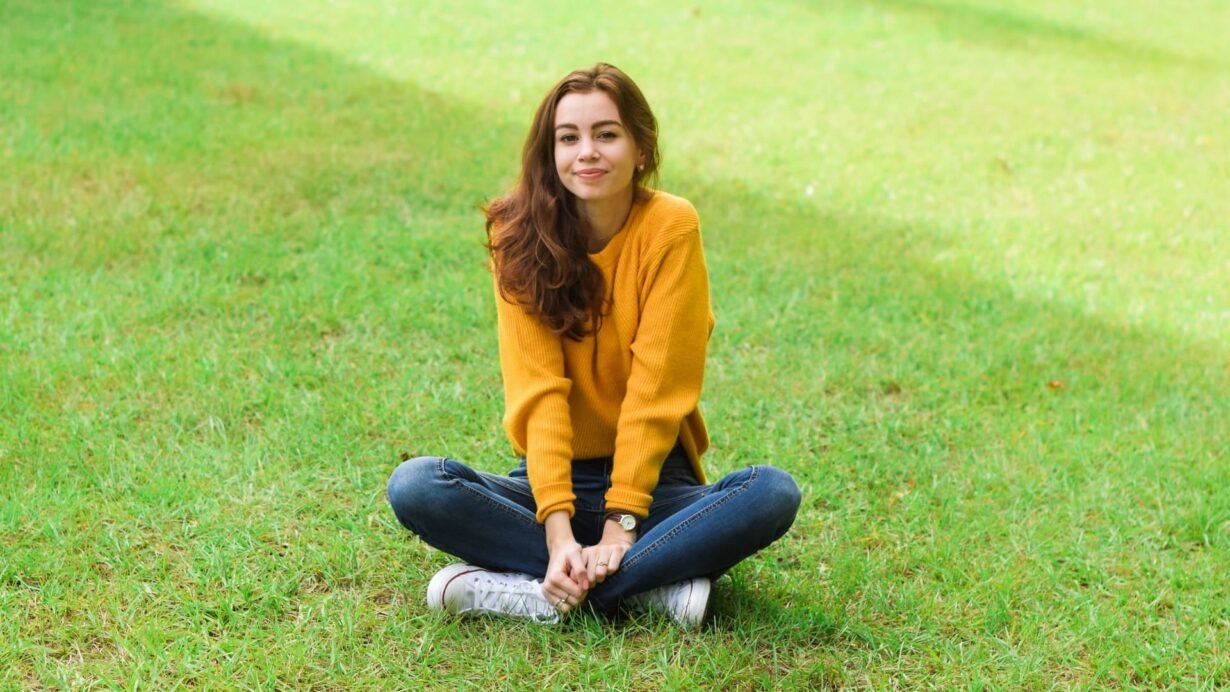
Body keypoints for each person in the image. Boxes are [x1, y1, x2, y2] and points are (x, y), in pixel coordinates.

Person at [386, 63, 800, 629]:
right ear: (549, 152)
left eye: (606, 134)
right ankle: (643, 586)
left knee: (770, 493)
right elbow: (540, 392)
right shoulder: (518, 234)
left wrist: (620, 525)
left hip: (656, 486)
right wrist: (558, 530)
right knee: (418, 486)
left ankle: (540, 590)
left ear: (640, 148)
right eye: (568, 137)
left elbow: (657, 389)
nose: (587, 152)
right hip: (551, 483)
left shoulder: (670, 227)